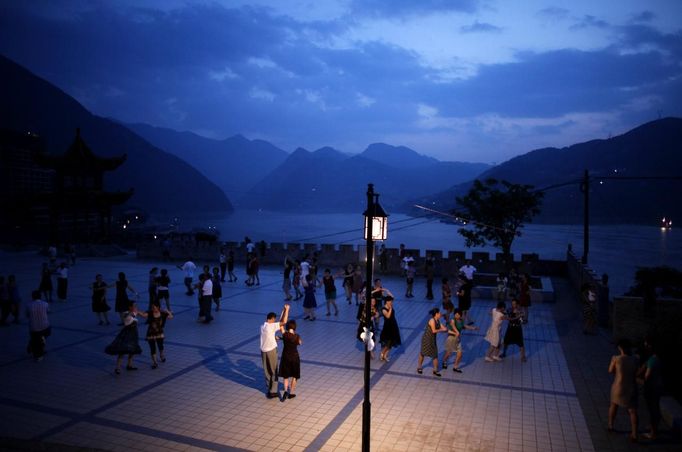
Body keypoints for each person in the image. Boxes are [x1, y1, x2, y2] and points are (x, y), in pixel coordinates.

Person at [608, 338, 639, 443]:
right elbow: (637, 372)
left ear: (619, 347)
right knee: (632, 411)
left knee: (614, 406)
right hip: (631, 387)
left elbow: (610, 370)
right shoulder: (635, 359)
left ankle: (611, 425)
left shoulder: (616, 358)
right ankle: (634, 434)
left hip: (618, 387)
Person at [105, 301, 147, 374]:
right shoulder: (126, 313)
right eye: (134, 306)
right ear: (130, 307)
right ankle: (117, 368)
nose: (135, 307)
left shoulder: (134, 312)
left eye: (136, 306)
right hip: (126, 334)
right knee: (122, 350)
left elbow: (144, 315)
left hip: (134, 334)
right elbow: (126, 322)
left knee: (133, 349)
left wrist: (153, 311)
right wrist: (135, 313)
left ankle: (129, 365)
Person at [260, 304, 290, 399]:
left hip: (263, 351)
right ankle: (273, 391)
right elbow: (283, 322)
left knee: (267, 370)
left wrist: (283, 310)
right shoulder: (271, 326)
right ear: (272, 319)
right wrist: (287, 310)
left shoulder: (263, 326)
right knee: (274, 370)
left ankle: (269, 389)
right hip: (271, 351)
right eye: (274, 320)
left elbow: (278, 323)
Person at [638, 336, 663, 441]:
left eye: (646, 344)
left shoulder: (652, 360)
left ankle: (653, 433)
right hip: (658, 386)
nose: (645, 346)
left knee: (653, 409)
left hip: (652, 388)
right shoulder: (658, 358)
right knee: (655, 407)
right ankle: (653, 426)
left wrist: (636, 380)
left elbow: (647, 377)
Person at [441, 308, 478, 373]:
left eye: (458, 314)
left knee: (460, 354)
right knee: (448, 353)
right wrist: (457, 332)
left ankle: (455, 367)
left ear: (460, 315)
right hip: (451, 338)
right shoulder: (453, 320)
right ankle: (444, 361)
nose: (457, 315)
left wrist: (473, 328)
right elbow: (453, 326)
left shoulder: (461, 321)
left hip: (458, 339)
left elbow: (465, 326)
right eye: (456, 314)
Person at [416, 308, 447, 376]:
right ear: (436, 314)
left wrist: (445, 328)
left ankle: (435, 370)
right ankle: (419, 367)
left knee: (435, 354)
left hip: (432, 340)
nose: (440, 314)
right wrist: (442, 329)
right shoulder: (432, 320)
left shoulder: (438, 321)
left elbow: (444, 328)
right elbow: (434, 330)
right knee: (423, 353)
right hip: (426, 339)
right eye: (439, 313)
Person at [279, 319, 302, 400]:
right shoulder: (297, 336)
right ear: (295, 327)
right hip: (295, 357)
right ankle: (291, 393)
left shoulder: (285, 334)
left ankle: (285, 390)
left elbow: (280, 324)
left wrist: (285, 311)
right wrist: (295, 335)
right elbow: (300, 343)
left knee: (285, 376)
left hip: (286, 357)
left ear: (287, 326)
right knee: (295, 376)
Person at [25, 290, 51, 361]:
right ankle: (39, 354)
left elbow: (27, 315)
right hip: (45, 327)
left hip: (34, 328)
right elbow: (48, 311)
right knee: (43, 337)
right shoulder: (45, 304)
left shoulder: (29, 305)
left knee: (36, 339)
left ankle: (34, 346)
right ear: (40, 296)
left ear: (32, 297)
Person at [146, 304, 172, 369]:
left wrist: (167, 311)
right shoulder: (150, 313)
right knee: (153, 348)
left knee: (160, 346)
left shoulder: (163, 314)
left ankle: (161, 355)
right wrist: (137, 311)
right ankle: (155, 363)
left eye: (154, 307)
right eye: (152, 308)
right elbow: (144, 315)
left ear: (158, 307)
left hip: (159, 333)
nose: (153, 309)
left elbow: (171, 317)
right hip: (151, 333)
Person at [379, 296, 401, 362]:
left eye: (392, 301)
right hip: (387, 327)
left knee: (391, 342)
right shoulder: (383, 309)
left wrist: (387, 291)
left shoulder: (390, 306)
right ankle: (382, 353)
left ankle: (385, 355)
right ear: (387, 301)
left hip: (393, 325)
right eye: (390, 301)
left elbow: (393, 297)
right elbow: (388, 316)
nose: (391, 302)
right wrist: (391, 308)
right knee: (388, 343)